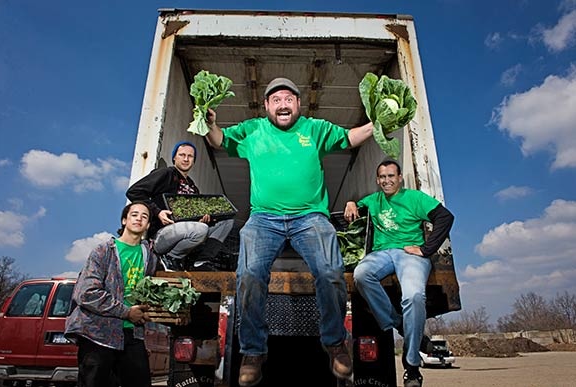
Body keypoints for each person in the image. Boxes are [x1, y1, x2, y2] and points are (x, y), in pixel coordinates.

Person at [204, 77, 374, 386]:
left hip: (310, 217)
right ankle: (254, 351)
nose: (283, 104)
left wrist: (381, 122)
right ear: (267, 105)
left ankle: (335, 343)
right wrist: (210, 123)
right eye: (276, 100)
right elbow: (219, 141)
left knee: (329, 271)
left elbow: (351, 137)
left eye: (289, 99)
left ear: (298, 104)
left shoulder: (315, 129)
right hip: (264, 219)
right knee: (250, 274)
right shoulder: (252, 130)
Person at [344, 159, 455, 387]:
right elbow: (356, 206)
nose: (386, 181)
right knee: (362, 275)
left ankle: (412, 367)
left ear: (400, 177)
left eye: (391, 176)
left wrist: (426, 249)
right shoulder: (374, 200)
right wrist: (350, 203)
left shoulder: (414, 198)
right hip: (382, 254)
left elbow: (445, 217)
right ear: (377, 180)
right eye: (382, 177)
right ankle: (397, 323)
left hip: (410, 254)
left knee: (414, 297)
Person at [64, 201, 159, 387]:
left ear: (148, 225)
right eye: (134, 214)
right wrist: (126, 312)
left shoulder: (150, 257)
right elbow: (87, 293)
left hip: (131, 333)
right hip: (98, 332)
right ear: (124, 220)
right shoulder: (103, 251)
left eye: (144, 216)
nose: (139, 218)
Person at [126, 140, 234, 271]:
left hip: (186, 232)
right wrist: (158, 212)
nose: (186, 159)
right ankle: (170, 257)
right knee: (200, 229)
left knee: (226, 221)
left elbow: (191, 220)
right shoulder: (166, 174)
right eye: (182, 155)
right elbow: (134, 192)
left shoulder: (193, 187)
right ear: (174, 157)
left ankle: (200, 261)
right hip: (162, 235)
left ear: (194, 161)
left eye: (190, 156)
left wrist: (200, 219)